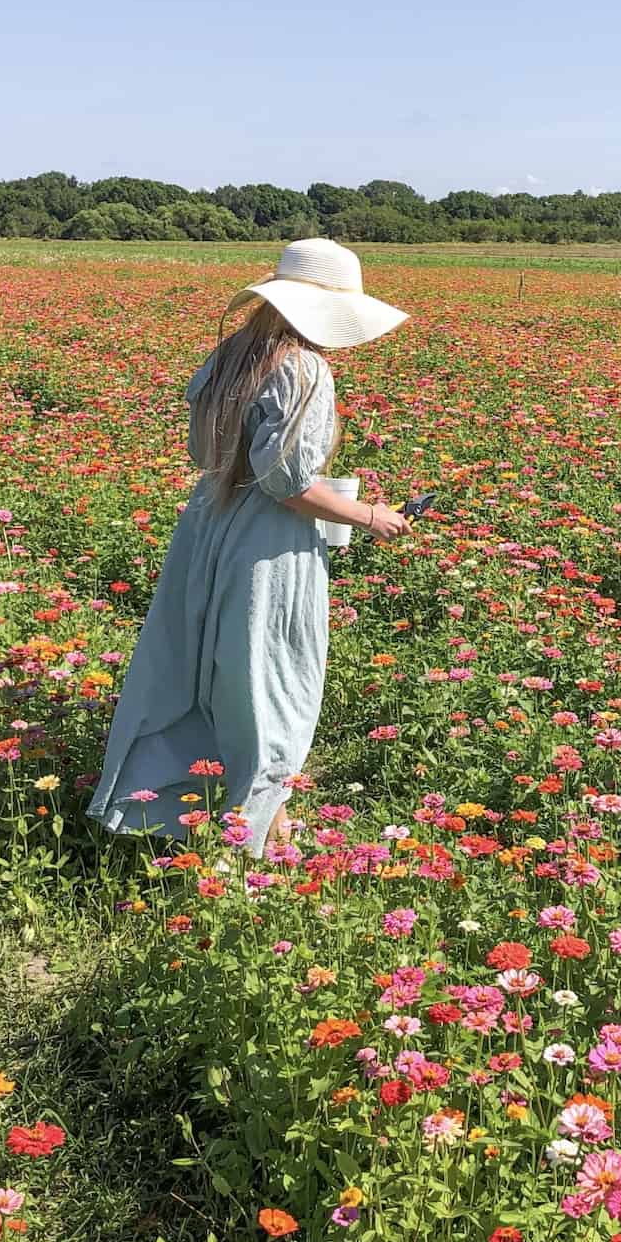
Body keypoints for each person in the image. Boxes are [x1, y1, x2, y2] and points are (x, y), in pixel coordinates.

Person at [87, 237, 409, 853]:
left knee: (208, 669)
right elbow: (289, 485)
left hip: (208, 524)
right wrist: (371, 515)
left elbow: (205, 455)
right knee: (274, 679)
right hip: (268, 541)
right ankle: (246, 849)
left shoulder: (231, 354)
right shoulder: (304, 368)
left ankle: (253, 819)